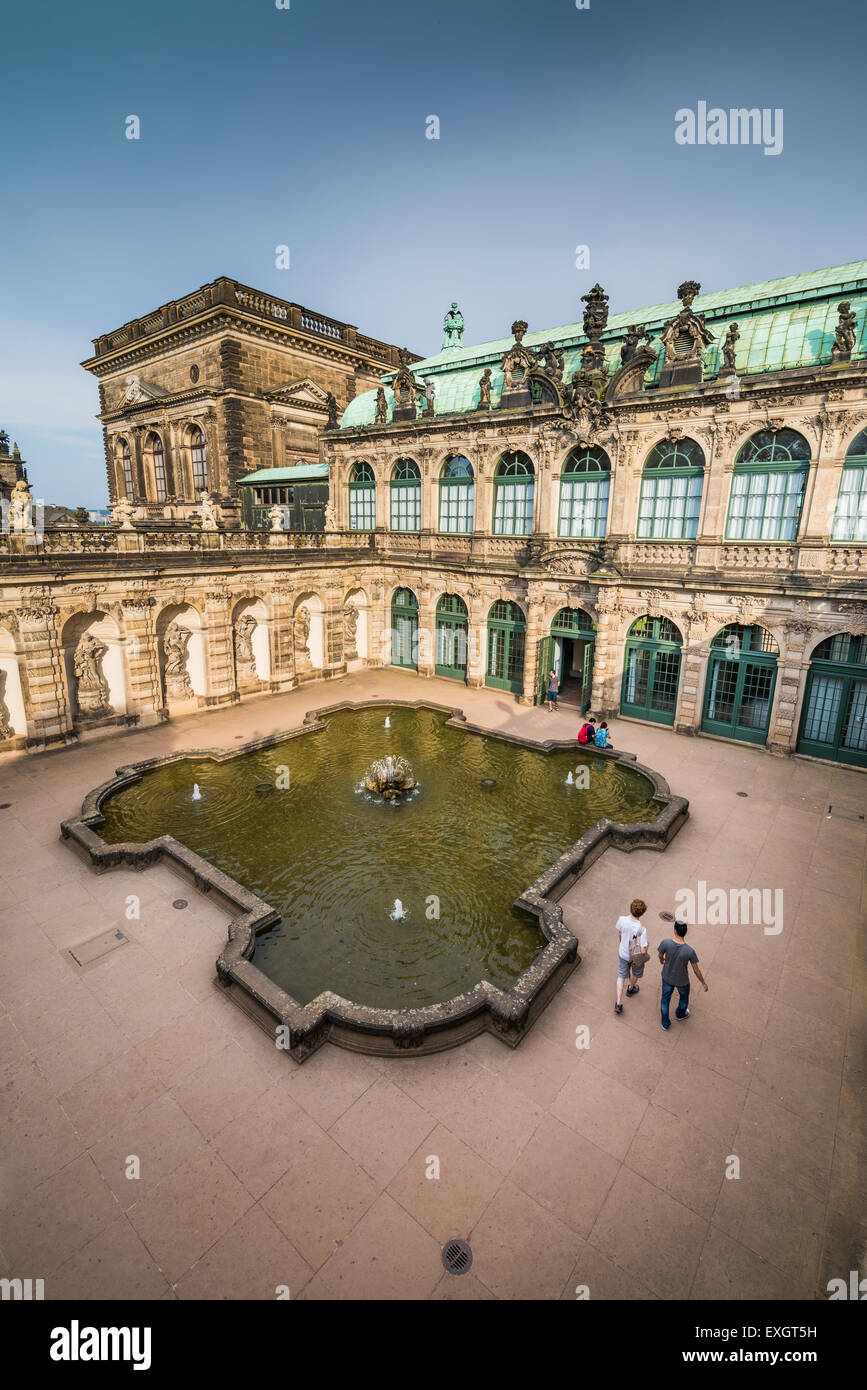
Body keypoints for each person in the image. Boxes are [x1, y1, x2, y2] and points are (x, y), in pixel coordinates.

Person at [657, 920, 708, 1029]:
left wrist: (662, 960)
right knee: (684, 998)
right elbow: (696, 970)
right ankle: (680, 1014)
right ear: (685, 932)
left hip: (667, 977)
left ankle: (665, 1023)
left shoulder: (665, 943)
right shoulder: (690, 951)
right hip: (682, 981)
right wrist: (703, 983)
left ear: (675, 931)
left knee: (665, 1000)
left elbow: (660, 955)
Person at [614, 898, 649, 1014]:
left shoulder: (622, 920)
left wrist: (622, 943)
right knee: (635, 972)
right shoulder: (642, 929)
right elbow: (643, 951)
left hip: (623, 953)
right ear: (642, 913)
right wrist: (647, 946)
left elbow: (619, 933)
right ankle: (631, 988)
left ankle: (618, 1003)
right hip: (635, 956)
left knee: (621, 975)